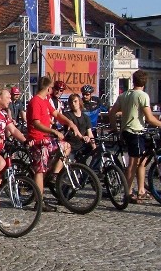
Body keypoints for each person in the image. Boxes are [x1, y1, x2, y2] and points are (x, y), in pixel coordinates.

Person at [26, 77, 82, 212]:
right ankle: (39, 202)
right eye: (52, 88)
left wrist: (70, 123)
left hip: (46, 138)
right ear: (48, 88)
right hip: (38, 139)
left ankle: (54, 174)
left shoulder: (45, 101)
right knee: (40, 170)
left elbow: (56, 114)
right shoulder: (35, 102)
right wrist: (53, 131)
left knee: (66, 146)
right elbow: (36, 123)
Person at [108, 69, 161, 203]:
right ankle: (129, 192)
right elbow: (149, 118)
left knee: (142, 161)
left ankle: (141, 190)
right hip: (135, 132)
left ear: (133, 80)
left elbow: (112, 112)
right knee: (133, 163)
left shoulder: (124, 95)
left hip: (128, 131)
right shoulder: (142, 95)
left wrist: (115, 128)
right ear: (145, 82)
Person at [63, 94, 95, 161]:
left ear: (80, 102)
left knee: (98, 151)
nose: (73, 104)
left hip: (82, 146)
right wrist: (82, 137)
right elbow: (73, 128)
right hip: (70, 145)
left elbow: (90, 134)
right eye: (71, 102)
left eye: (75, 101)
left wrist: (94, 148)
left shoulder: (86, 117)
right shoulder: (67, 115)